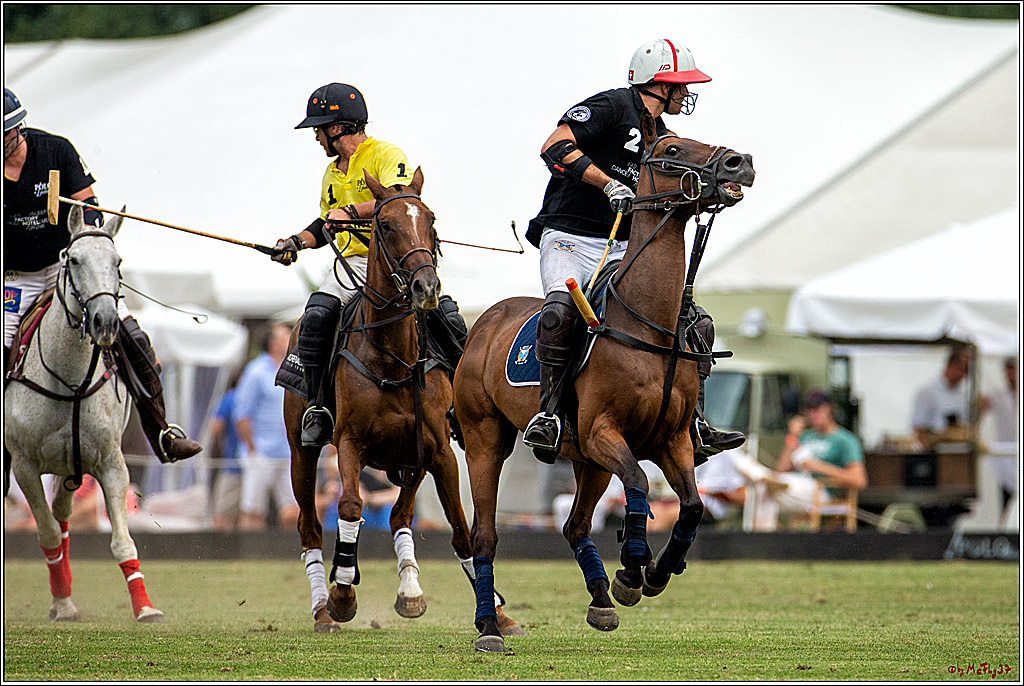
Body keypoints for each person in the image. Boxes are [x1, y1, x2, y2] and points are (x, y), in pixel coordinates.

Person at [521, 39, 745, 464]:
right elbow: (554, 146)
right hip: (570, 235)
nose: (686, 92)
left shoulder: (665, 138)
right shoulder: (610, 106)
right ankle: (548, 415)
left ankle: (695, 422)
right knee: (560, 313)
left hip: (624, 244)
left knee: (692, 320)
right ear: (657, 83)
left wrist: (718, 187)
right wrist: (606, 183)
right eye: (681, 84)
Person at [3, 86, 201, 467]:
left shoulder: (56, 151)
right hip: (16, 277)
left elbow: (90, 206)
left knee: (130, 334)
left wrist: (91, 242)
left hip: (69, 268)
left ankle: (161, 431)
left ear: (18, 128)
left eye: (4, 136)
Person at [268, 83, 468, 449]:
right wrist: (295, 242)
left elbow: (399, 198)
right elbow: (326, 222)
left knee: (447, 317)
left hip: (392, 259)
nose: (316, 137)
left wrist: (349, 211)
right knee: (315, 316)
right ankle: (318, 407)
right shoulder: (331, 173)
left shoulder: (385, 154)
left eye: (320, 128)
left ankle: (462, 406)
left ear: (338, 127)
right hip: (349, 264)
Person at [731, 390, 867, 530]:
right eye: (809, 410)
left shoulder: (845, 440)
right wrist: (792, 436)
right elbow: (781, 469)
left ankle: (761, 536)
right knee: (759, 483)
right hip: (793, 486)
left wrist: (817, 466)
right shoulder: (805, 436)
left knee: (766, 486)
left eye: (817, 409)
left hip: (820, 490)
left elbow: (859, 480)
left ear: (829, 410)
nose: (812, 414)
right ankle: (762, 537)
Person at [235, 323, 298, 530]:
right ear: (273, 343)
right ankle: (250, 553)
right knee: (253, 509)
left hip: (286, 451)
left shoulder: (291, 368)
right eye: (284, 336)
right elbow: (242, 415)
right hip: (261, 451)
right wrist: (253, 450)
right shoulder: (255, 371)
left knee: (292, 507)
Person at [910, 344, 972, 450]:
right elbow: (918, 428)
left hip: (959, 455)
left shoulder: (964, 395)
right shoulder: (928, 392)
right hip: (935, 455)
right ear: (951, 365)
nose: (964, 375)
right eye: (963, 369)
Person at [208, 371, 243, 530]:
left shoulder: (231, 397)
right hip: (258, 462)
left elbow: (215, 428)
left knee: (221, 514)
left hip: (233, 465)